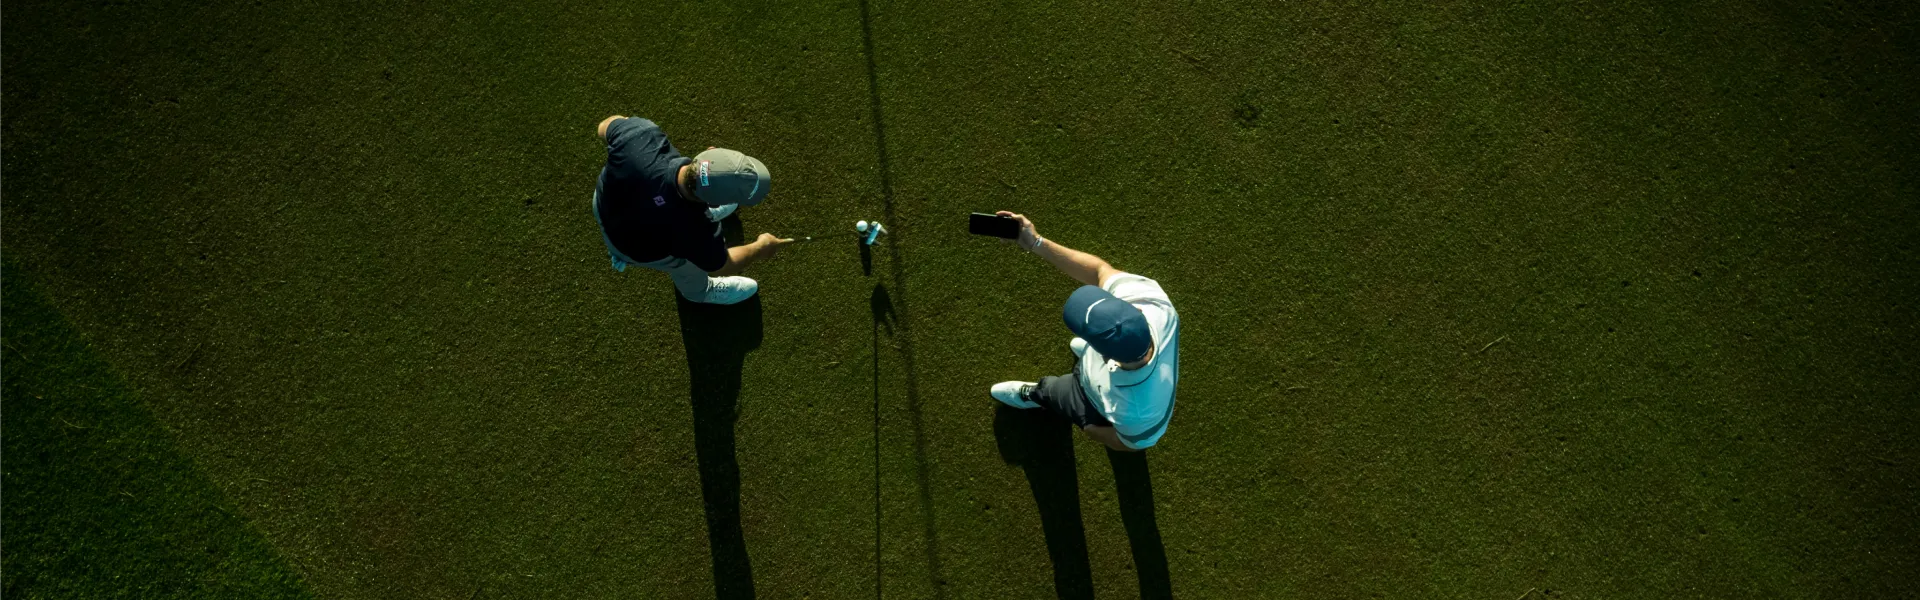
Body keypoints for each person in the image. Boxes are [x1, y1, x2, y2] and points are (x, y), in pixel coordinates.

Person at [988, 211, 1180, 451]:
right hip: (1117, 371)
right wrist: (1035, 242)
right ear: (1135, 312)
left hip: (1092, 396)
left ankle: (1035, 395)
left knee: (1051, 390)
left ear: (1105, 356)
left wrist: (1093, 430)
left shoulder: (1137, 411)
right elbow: (1099, 270)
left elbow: (1132, 443)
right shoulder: (1153, 303)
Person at [591, 115, 791, 304]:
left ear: (711, 151)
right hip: (630, 245)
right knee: (684, 264)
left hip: (603, 203)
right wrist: (760, 248)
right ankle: (700, 293)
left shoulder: (641, 135)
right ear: (713, 202)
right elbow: (721, 265)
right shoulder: (697, 232)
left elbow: (605, 127)